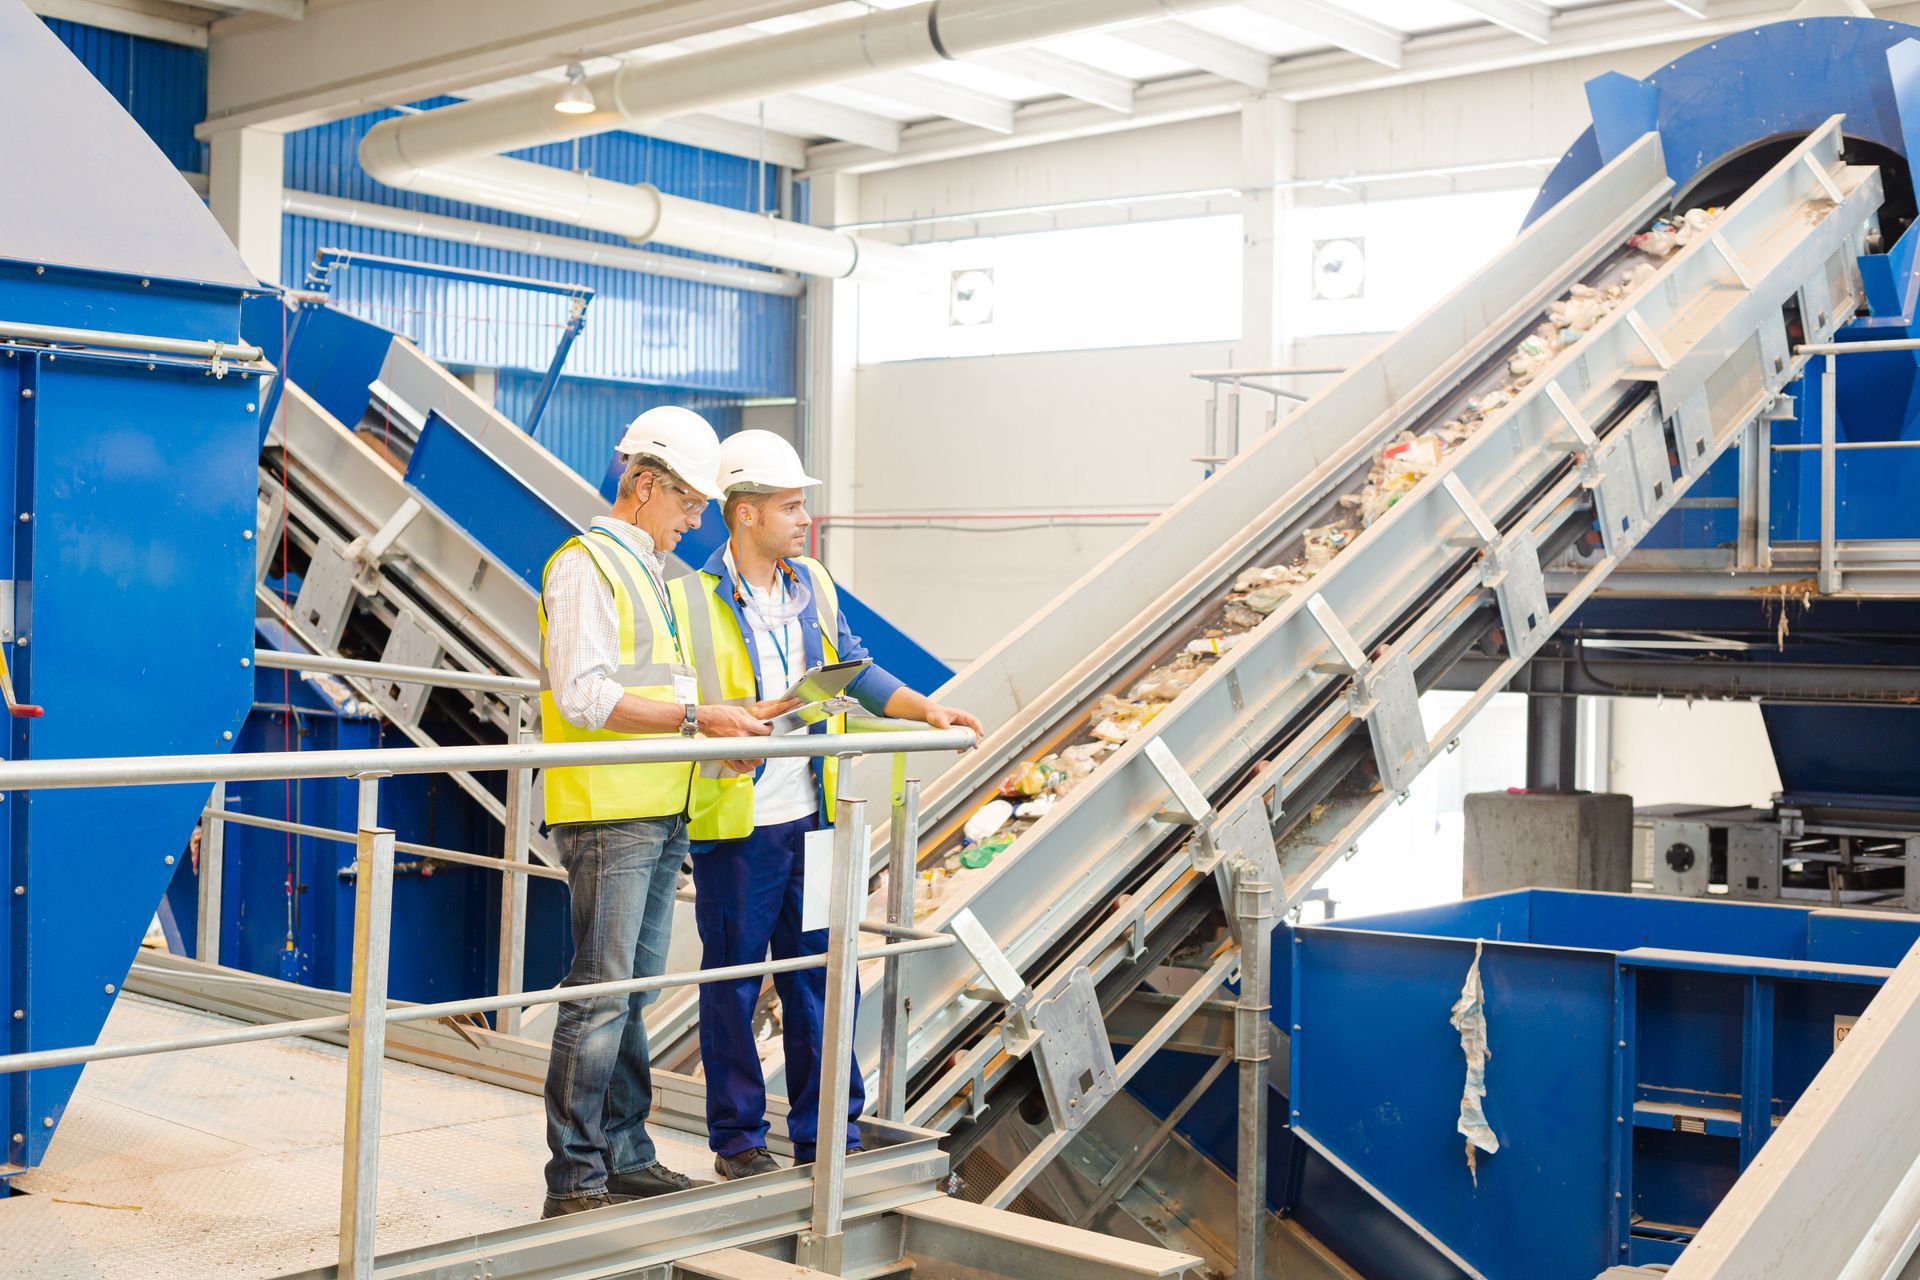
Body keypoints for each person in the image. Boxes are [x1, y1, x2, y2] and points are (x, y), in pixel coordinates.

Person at [668, 429, 985, 1181]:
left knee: (817, 973)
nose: (804, 518)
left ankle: (827, 1132)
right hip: (738, 823)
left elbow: (853, 667)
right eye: (790, 505)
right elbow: (679, 704)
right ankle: (739, 1141)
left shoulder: (813, 581)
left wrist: (921, 709)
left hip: (814, 815)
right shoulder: (690, 600)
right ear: (743, 514)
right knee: (733, 983)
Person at [537, 407, 796, 1218]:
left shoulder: (655, 572)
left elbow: (663, 692)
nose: (695, 518)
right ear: (642, 485)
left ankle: (626, 1153)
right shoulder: (585, 566)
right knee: (600, 993)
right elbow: (585, 696)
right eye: (686, 501)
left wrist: (725, 733)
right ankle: (574, 1180)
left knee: (633, 994)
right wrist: (699, 724)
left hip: (657, 804)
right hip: (609, 813)